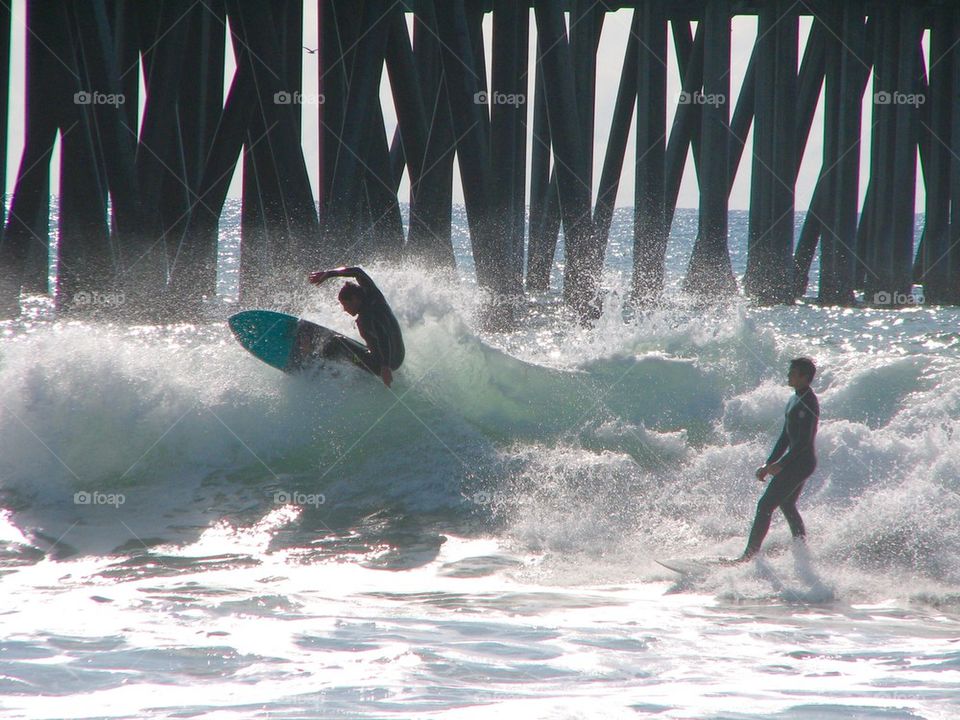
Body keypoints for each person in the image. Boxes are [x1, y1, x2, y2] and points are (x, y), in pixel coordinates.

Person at [737, 357, 819, 562]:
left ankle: (749, 556)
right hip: (797, 462)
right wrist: (769, 463)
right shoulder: (795, 397)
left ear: (804, 377)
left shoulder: (808, 402)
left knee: (765, 506)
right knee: (787, 504)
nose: (788, 375)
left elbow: (803, 441)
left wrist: (781, 464)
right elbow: (785, 436)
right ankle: (802, 552)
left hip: (801, 463)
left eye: (793, 372)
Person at [295, 266, 404, 387]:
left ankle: (316, 364)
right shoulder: (374, 295)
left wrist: (385, 367)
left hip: (379, 365)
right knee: (352, 348)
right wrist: (328, 274)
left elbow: (383, 336)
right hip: (398, 357)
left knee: (338, 342)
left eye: (344, 304)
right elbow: (358, 272)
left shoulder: (367, 317)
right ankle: (354, 361)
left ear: (354, 299)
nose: (344, 309)